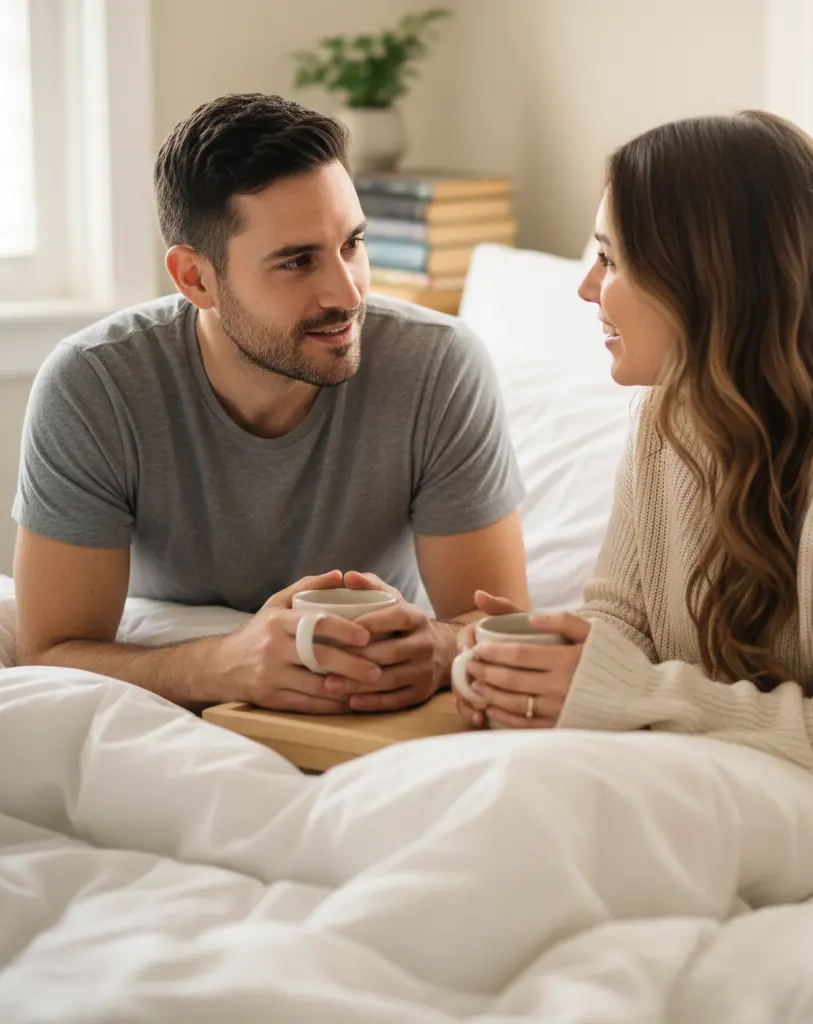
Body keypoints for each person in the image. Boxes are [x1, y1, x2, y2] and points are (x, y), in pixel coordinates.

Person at [455, 111, 813, 811]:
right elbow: (624, 621)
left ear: (704, 277)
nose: (588, 288)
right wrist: (542, 658)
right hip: (716, 770)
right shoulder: (666, 418)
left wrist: (630, 691)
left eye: (612, 260)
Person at [12, 93, 528, 714]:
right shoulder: (94, 386)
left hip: (368, 696)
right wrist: (224, 666)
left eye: (352, 244)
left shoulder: (437, 367)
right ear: (195, 278)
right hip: (170, 687)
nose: (346, 294)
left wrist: (440, 650)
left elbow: (494, 623)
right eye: (296, 262)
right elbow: (50, 653)